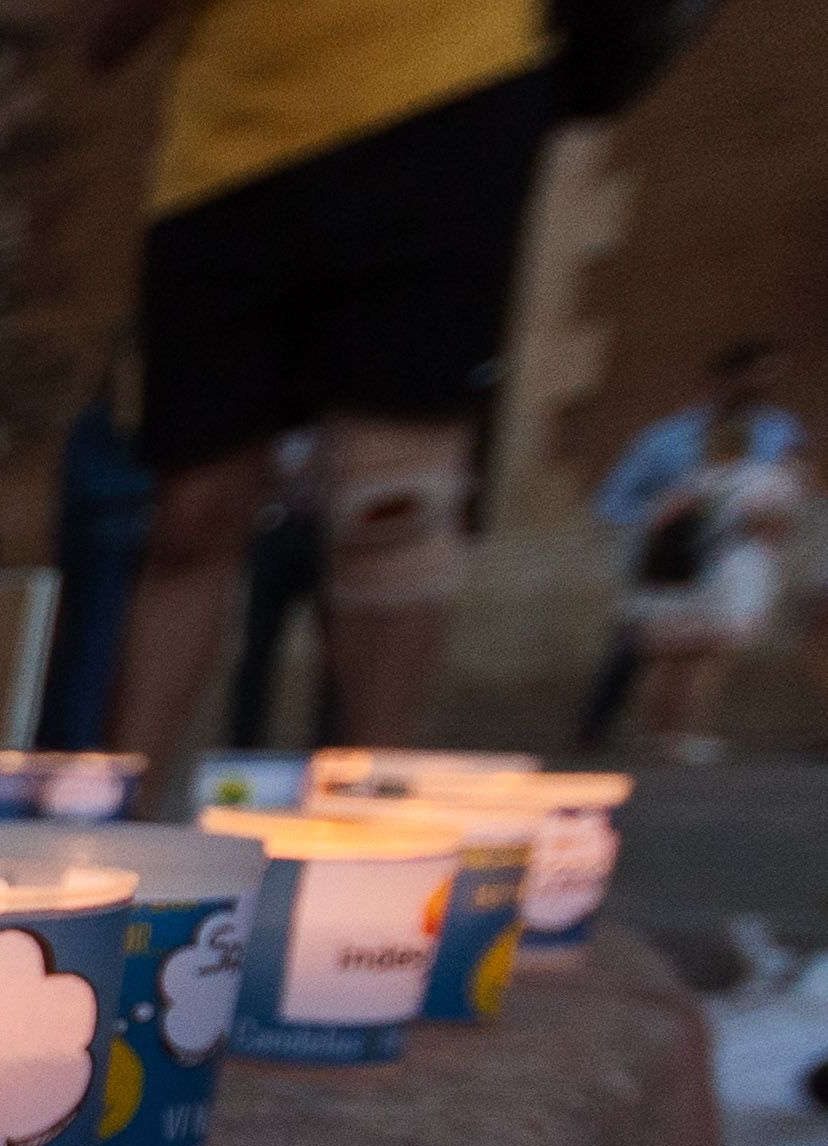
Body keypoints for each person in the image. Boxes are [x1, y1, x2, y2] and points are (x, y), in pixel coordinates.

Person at [92, 0, 556, 791]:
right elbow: (103, 40)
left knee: (393, 496)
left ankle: (374, 826)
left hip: (443, 92)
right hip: (222, 152)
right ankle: (113, 830)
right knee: (189, 509)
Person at [580, 339, 804, 748]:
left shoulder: (779, 431)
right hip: (672, 565)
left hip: (728, 567)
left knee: (698, 651)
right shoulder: (667, 438)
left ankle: (674, 733)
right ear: (727, 377)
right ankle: (613, 727)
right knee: (647, 650)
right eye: (756, 373)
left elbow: (784, 498)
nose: (763, 384)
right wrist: (667, 527)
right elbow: (616, 501)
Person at [616, 410, 805, 755]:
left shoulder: (692, 483)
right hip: (727, 580)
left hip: (674, 582)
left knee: (666, 661)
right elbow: (775, 528)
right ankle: (690, 736)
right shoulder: (760, 479)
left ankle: (658, 736)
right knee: (706, 662)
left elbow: (653, 528)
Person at [37, 333, 157, 752]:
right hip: (102, 551)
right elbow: (82, 489)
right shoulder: (97, 424)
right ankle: (78, 740)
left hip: (131, 548)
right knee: (91, 646)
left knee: (117, 649)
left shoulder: (145, 426)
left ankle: (101, 740)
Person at [223, 431, 342, 751]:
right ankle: (241, 749)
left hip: (330, 533)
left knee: (339, 655)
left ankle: (330, 752)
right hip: (275, 528)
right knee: (256, 650)